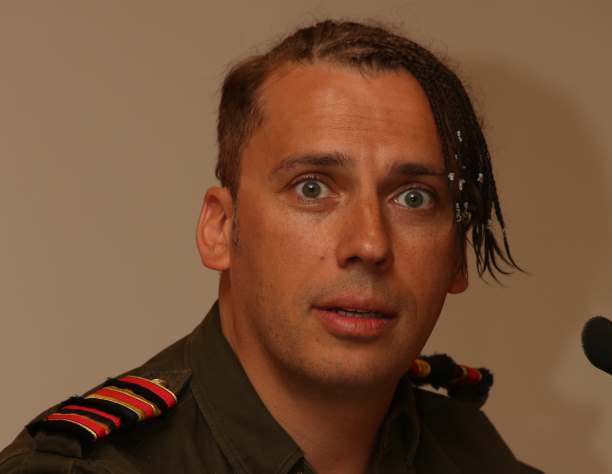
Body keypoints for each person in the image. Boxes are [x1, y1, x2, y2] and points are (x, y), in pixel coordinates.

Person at [0, 19, 541, 474]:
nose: (370, 244)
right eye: (313, 189)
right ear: (220, 228)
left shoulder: (474, 455)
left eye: (414, 198)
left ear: (457, 255)